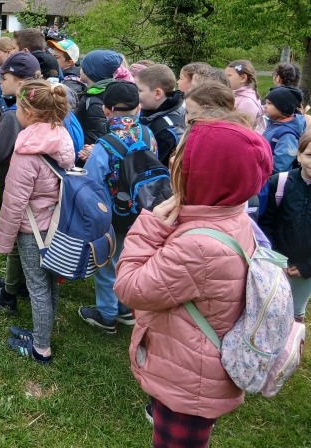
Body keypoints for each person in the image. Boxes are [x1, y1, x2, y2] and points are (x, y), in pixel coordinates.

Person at [114, 118, 272, 448]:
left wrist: (150, 226)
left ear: (203, 175)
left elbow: (130, 287)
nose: (171, 159)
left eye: (182, 158)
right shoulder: (233, 212)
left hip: (189, 380)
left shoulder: (199, 246)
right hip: (198, 363)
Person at [0, 78, 74, 364]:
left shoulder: (28, 149)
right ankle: (42, 333)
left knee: (37, 287)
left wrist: (3, 241)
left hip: (34, 231)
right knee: (49, 283)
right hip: (57, 224)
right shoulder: (61, 137)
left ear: (29, 113)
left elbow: (14, 200)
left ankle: (41, 347)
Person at [78, 81, 157, 333]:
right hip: (144, 213)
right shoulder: (148, 135)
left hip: (114, 217)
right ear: (138, 108)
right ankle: (125, 308)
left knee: (107, 264)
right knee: (130, 260)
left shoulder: (105, 144)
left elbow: (90, 184)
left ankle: (106, 314)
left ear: (106, 111)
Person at [0, 52, 43, 314]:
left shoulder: (11, 115)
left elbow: (0, 151)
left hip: (13, 186)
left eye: (4, 77)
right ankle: (17, 283)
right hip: (37, 187)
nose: (0, 81)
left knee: (17, 242)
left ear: (19, 83)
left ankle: (9, 291)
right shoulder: (45, 107)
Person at [260, 130, 311, 322]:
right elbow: (266, 224)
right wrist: (276, 261)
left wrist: (307, 267)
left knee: (296, 311)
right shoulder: (279, 183)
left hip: (307, 269)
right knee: (271, 309)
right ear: (298, 155)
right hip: (276, 262)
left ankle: (293, 349)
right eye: (309, 155)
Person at [76, 49, 125, 159]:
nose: (80, 69)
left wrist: (82, 150)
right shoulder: (98, 93)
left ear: (90, 72)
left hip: (87, 156)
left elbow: (97, 134)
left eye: (83, 67)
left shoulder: (95, 102)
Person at [136, 64, 186, 165]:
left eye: (139, 90)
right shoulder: (151, 111)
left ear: (158, 93)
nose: (135, 94)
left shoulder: (166, 133)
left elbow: (149, 167)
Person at [263, 86, 306, 173]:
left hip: (272, 180)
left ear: (282, 107)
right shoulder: (274, 123)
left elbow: (279, 166)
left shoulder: (287, 135)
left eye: (269, 103)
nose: (265, 106)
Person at [225, 59, 265, 133]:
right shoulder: (234, 95)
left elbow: (242, 131)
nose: (225, 78)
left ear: (243, 78)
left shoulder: (247, 103)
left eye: (229, 76)